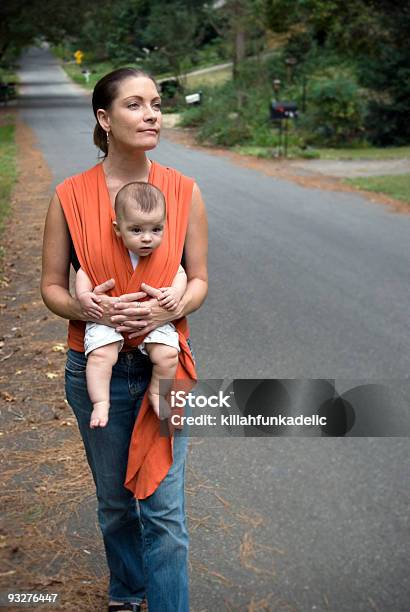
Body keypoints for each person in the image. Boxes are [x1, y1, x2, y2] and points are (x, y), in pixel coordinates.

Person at [41, 67, 208, 612]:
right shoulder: (69, 196)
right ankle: (127, 593)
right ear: (104, 119)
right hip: (96, 369)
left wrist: (174, 303)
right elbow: (50, 289)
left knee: (165, 512)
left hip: (165, 366)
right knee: (115, 504)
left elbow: (200, 280)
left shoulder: (184, 191)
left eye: (156, 103)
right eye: (135, 105)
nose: (152, 113)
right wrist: (86, 305)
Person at [77, 181, 187, 429]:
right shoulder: (103, 250)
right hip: (108, 317)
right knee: (100, 356)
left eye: (156, 229)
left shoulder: (166, 256)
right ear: (118, 228)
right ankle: (101, 402)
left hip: (152, 319)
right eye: (136, 230)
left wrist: (175, 293)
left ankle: (158, 394)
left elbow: (181, 274)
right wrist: (84, 295)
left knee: (169, 355)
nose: (147, 238)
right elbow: (85, 271)